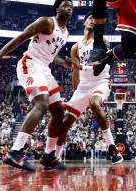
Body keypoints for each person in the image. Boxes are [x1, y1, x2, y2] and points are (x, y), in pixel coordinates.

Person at [0, 0, 74, 172]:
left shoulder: (66, 33)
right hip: (30, 63)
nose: (69, 9)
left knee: (59, 111)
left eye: (71, 7)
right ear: (57, 9)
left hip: (44, 68)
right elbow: (21, 37)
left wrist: (65, 63)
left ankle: (48, 156)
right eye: (65, 6)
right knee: (42, 103)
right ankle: (15, 152)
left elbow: (51, 55)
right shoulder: (46, 22)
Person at [47, 14, 123, 164]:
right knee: (64, 123)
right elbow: (76, 73)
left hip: (100, 81)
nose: (93, 22)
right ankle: (56, 156)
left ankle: (111, 147)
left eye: (96, 20)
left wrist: (81, 66)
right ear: (85, 23)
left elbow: (97, 65)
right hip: (83, 87)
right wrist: (77, 96)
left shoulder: (102, 42)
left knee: (95, 104)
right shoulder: (75, 47)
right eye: (90, 19)